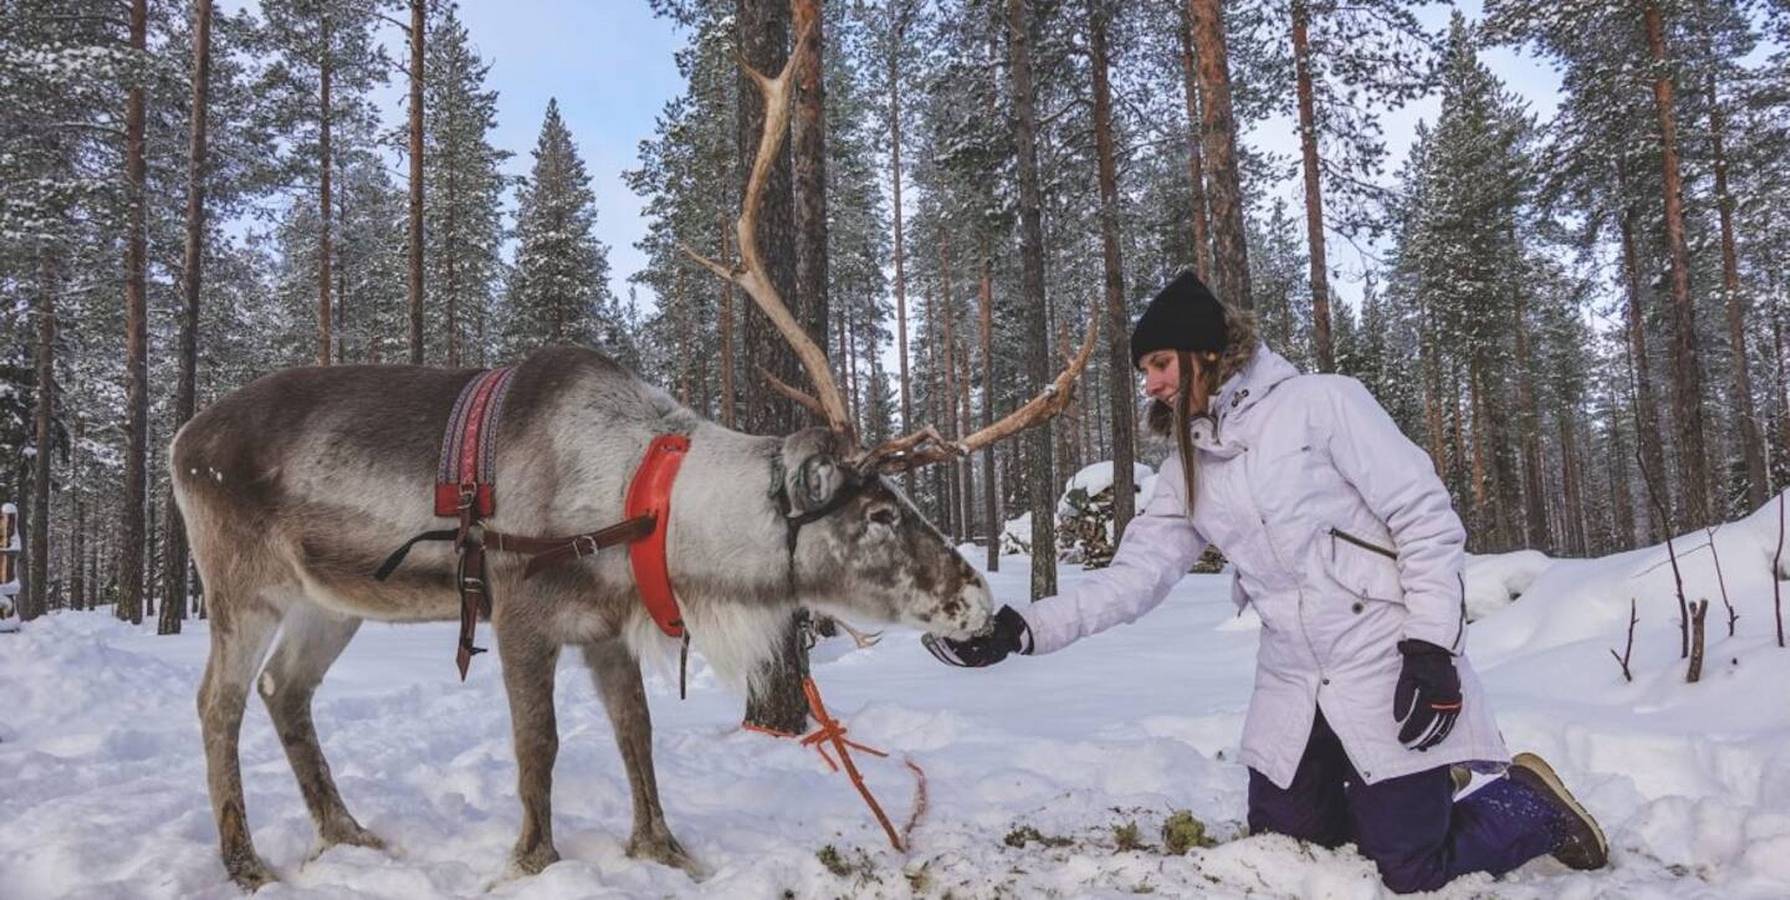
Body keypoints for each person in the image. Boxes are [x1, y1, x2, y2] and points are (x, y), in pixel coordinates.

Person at [925, 271, 1608, 893]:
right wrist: (1023, 629)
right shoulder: (1190, 468)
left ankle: (1529, 804)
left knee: (1407, 869)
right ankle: (1407, 793)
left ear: (1206, 352)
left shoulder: (1324, 406)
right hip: (1293, 677)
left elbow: (1425, 519)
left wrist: (1431, 647)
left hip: (1385, 660)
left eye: (1159, 363)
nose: (1151, 384)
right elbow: (1133, 579)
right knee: (1288, 852)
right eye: (1144, 370)